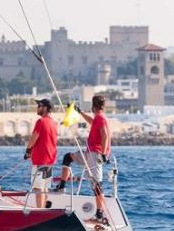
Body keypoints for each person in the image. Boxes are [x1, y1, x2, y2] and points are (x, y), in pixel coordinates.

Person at [55, 94, 112, 223]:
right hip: (88, 154)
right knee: (68, 158)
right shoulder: (98, 118)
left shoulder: (100, 118)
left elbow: (105, 136)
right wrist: (79, 111)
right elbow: (91, 121)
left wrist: (103, 154)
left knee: (96, 183)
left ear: (93, 106)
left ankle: (100, 214)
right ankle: (61, 186)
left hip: (95, 155)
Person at [24, 98, 58, 209]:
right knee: (45, 187)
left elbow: (34, 137)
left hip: (40, 160)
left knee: (38, 188)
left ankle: (40, 210)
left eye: (39, 106)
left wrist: (28, 151)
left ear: (45, 108)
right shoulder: (53, 123)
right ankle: (43, 209)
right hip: (50, 160)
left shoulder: (41, 121)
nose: (37, 108)